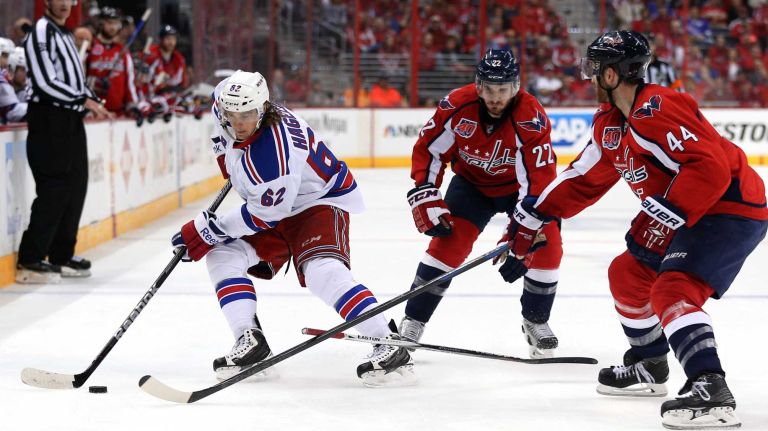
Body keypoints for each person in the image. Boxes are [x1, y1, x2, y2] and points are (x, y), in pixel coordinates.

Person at [507, 30, 766, 429]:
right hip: (687, 210)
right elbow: (582, 178)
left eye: (594, 69)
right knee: (626, 275)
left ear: (612, 76)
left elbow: (709, 168)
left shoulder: (657, 108)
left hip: (729, 207)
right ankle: (650, 364)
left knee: (673, 290)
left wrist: (666, 214)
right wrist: (533, 216)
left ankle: (710, 387)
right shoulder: (611, 123)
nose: (589, 78)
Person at [171, 70, 414, 386]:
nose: (240, 122)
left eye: (248, 114)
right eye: (233, 115)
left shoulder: (274, 154)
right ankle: (249, 339)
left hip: (319, 200)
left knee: (322, 272)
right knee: (223, 255)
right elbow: (225, 141)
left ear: (263, 108)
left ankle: (387, 340)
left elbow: (264, 215)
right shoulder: (224, 103)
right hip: (276, 202)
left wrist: (209, 229)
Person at [400, 48, 564, 359]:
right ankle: (413, 321)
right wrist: (425, 190)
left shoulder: (530, 117)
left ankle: (535, 320)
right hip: (471, 187)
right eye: (488, 89)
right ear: (478, 85)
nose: (494, 97)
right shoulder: (456, 105)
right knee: (447, 246)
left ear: (515, 87)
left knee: (548, 244)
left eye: (502, 90)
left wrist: (524, 230)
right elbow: (430, 149)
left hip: (521, 192)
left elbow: (539, 180)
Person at [16, 0, 112, 284]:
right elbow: (45, 82)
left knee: (75, 185)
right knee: (55, 185)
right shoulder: (41, 32)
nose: (64, 4)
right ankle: (31, 258)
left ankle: (60, 255)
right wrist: (82, 98)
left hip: (70, 119)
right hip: (49, 118)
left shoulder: (65, 34)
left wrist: (92, 99)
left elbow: (75, 80)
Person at [84, 7, 139, 114]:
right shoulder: (90, 47)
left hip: (118, 112)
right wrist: (94, 82)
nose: (113, 27)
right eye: (109, 23)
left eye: (116, 23)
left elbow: (129, 82)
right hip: (93, 112)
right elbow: (78, 78)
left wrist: (133, 105)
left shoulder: (122, 51)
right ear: (101, 23)